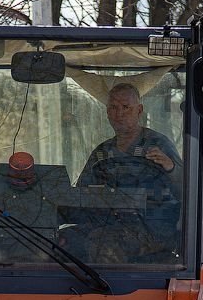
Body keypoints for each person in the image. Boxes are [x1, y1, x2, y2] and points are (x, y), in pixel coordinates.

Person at [75, 84, 182, 255]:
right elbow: (80, 195)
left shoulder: (159, 145)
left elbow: (187, 192)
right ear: (107, 112)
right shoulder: (102, 152)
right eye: (114, 108)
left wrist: (170, 167)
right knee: (60, 242)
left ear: (139, 110)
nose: (119, 113)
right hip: (107, 225)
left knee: (105, 247)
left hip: (153, 230)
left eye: (126, 107)